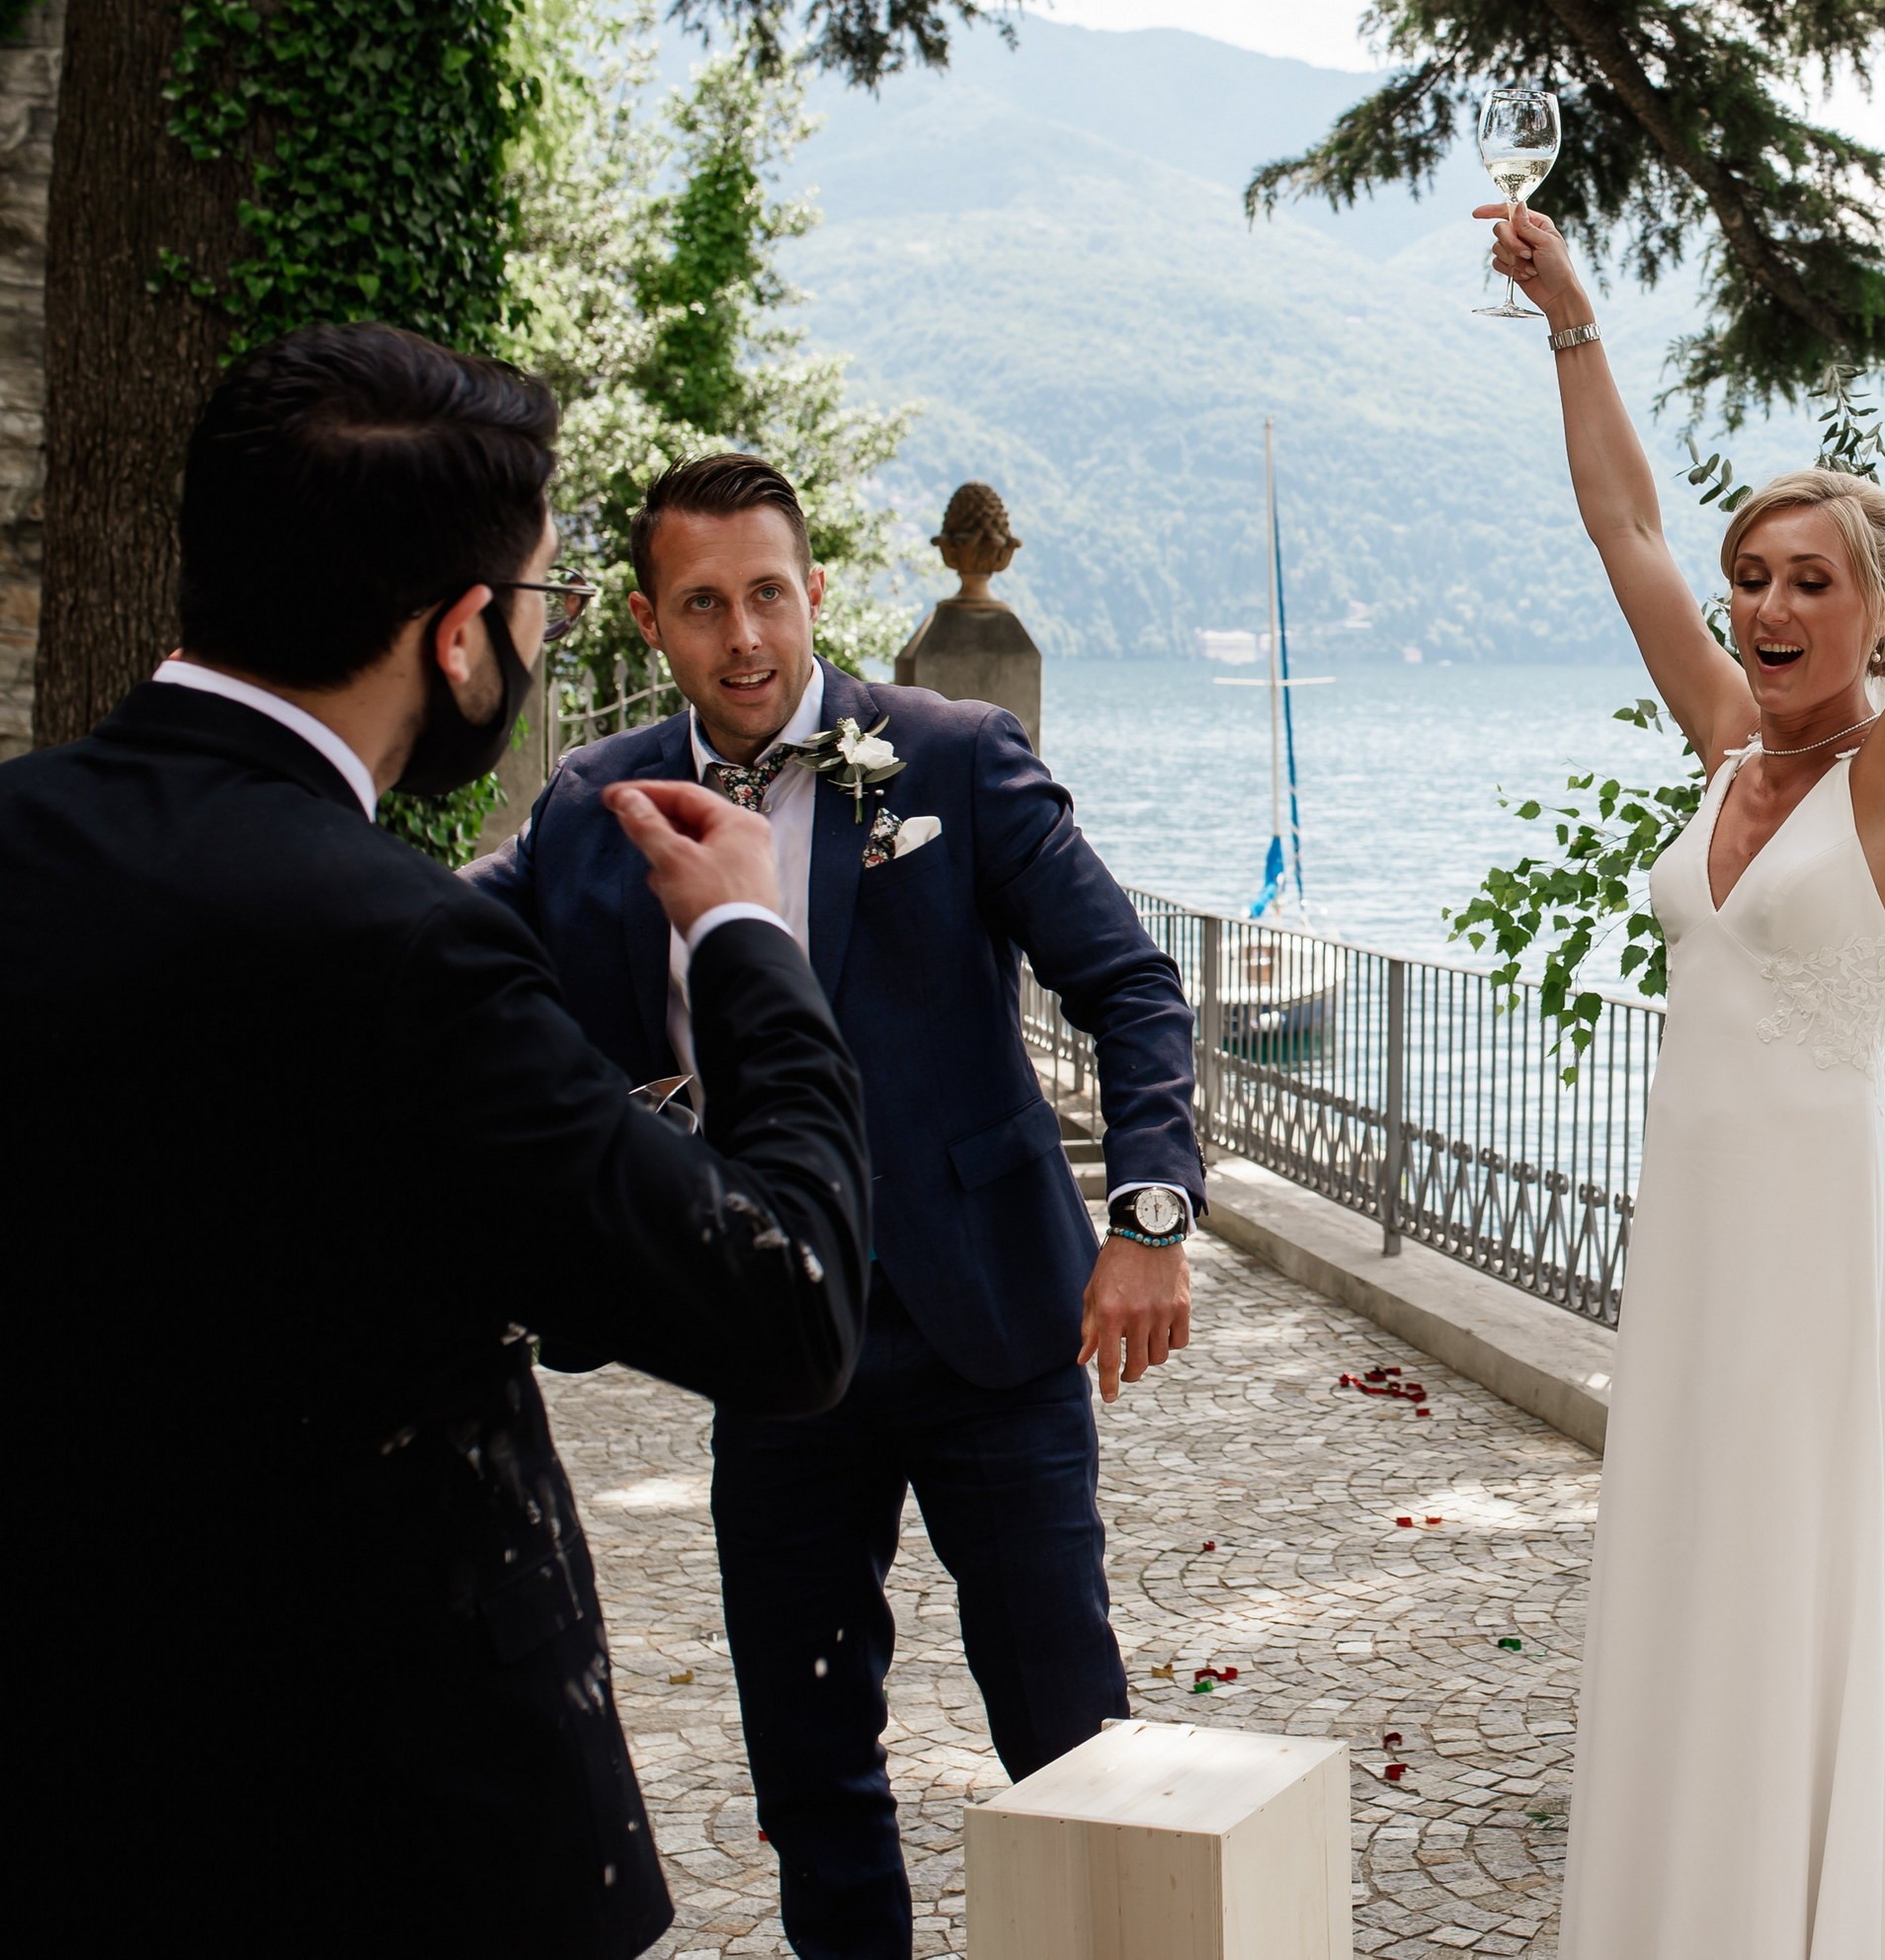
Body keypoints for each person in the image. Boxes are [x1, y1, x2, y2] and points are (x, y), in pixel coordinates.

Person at [1, 324, 873, 1957]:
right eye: (542, 600)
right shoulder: (405, 950)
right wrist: (748, 942)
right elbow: (788, 1305)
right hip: (386, 1825)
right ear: (461, 634)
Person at [466, 452, 1202, 1960]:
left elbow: (1130, 985)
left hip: (991, 1325)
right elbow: (439, 957)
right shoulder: (596, 802)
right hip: (771, 1338)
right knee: (807, 1758)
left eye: (769, 594)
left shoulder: (952, 756)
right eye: (702, 604)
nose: (744, 637)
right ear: (650, 621)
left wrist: (1145, 1222)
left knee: (1069, 1730)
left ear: (812, 591)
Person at [1479, 108, 1885, 1955]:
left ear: (1884, 611)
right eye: (1755, 576)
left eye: (1812, 580)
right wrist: (1573, 317)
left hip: (1830, 1270)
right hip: (1704, 1254)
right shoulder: (1727, 742)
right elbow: (1624, 523)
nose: (1769, 604)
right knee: (1701, 1584)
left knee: (1811, 1593)